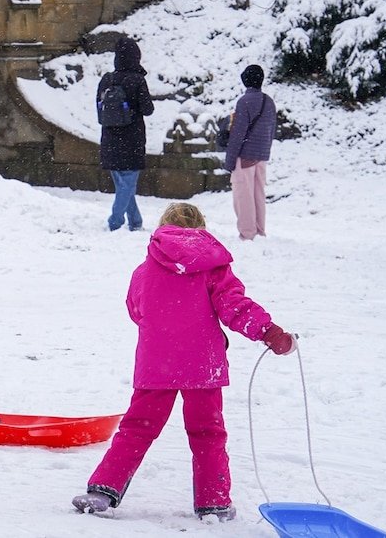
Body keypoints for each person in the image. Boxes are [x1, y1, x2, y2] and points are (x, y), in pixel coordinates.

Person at [72, 202, 296, 522]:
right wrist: (269, 332)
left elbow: (136, 310)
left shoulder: (144, 270)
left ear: (164, 228)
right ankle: (214, 501)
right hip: (202, 365)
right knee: (207, 432)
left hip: (156, 363)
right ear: (201, 229)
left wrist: (167, 328)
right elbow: (235, 307)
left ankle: (103, 490)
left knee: (137, 428)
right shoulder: (212, 266)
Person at [96, 36, 156, 231]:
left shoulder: (107, 79)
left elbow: (99, 109)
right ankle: (115, 221)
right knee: (128, 183)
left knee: (123, 184)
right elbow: (148, 109)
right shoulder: (137, 80)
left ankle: (136, 220)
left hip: (110, 139)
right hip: (132, 139)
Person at [223, 64, 277, 241]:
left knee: (243, 195)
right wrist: (265, 152)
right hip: (261, 155)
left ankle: (247, 233)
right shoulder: (269, 101)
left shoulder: (244, 102)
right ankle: (260, 230)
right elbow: (271, 129)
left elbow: (238, 134)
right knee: (258, 193)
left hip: (245, 156)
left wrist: (230, 161)